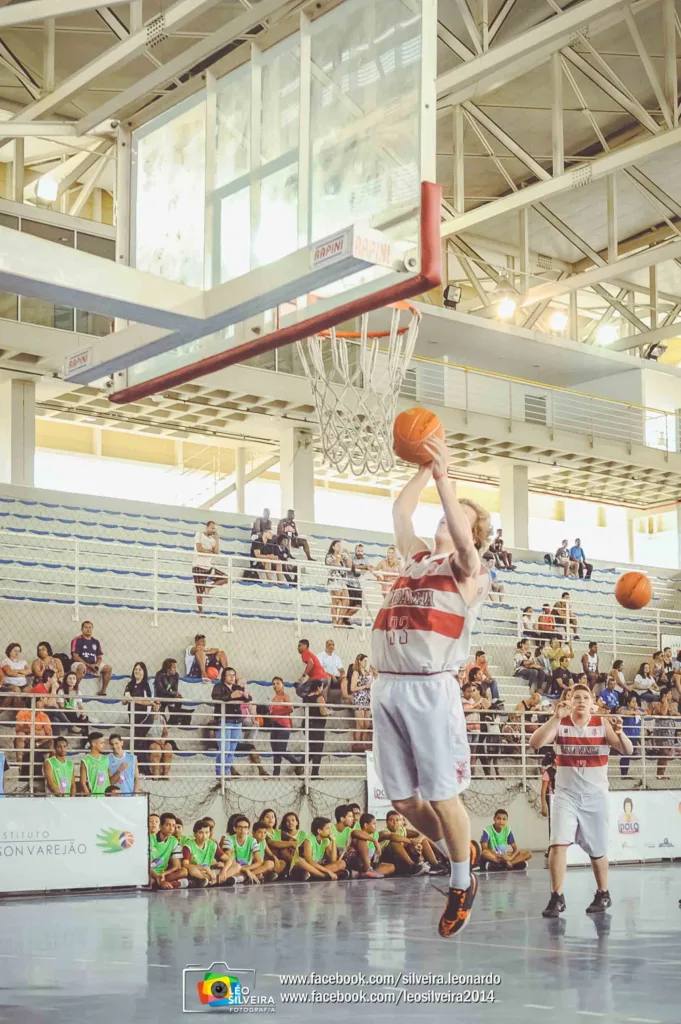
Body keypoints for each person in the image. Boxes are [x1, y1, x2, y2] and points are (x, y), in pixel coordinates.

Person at [371, 433, 490, 938]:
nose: (447, 518)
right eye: (445, 512)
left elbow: (463, 539)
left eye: (458, 514)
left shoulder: (469, 570)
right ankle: (457, 852)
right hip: (387, 686)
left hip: (428, 687)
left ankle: (462, 882)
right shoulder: (416, 560)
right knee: (401, 800)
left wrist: (446, 477)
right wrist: (422, 466)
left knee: (443, 797)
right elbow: (401, 511)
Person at [529, 683, 633, 918]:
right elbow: (534, 744)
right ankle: (557, 896)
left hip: (595, 796)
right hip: (566, 795)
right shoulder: (560, 724)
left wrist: (621, 732)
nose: (582, 701)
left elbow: (627, 750)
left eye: (586, 697)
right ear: (570, 701)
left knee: (597, 850)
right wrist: (555, 718)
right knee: (557, 844)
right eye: (577, 697)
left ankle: (603, 892)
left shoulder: (602, 724)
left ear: (593, 703)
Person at [212, 667, 249, 778]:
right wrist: (231, 696)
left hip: (236, 720)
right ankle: (219, 771)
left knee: (232, 748)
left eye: (234, 675)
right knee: (225, 748)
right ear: (224, 676)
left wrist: (246, 696)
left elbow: (248, 697)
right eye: (229, 675)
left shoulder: (237, 687)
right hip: (224, 720)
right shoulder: (218, 686)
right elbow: (216, 698)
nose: (232, 677)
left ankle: (226, 771)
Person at [182, 818, 235, 887]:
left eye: (207, 832)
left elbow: (228, 860)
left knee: (237, 866)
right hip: (199, 872)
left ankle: (212, 881)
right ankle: (217, 880)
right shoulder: (188, 845)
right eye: (201, 833)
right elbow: (185, 865)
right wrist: (205, 868)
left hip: (210, 872)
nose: (204, 836)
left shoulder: (212, 844)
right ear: (195, 834)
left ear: (210, 833)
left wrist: (224, 871)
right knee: (192, 870)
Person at [267, 676, 303, 776]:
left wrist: (278, 714)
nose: (275, 685)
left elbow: (290, 708)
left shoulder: (284, 696)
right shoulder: (274, 698)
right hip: (275, 725)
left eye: (278, 683)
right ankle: (276, 774)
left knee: (281, 749)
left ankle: (297, 763)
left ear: (283, 685)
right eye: (274, 684)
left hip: (284, 725)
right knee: (275, 751)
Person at [292, 816, 347, 880]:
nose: (330, 831)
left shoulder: (326, 840)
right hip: (306, 867)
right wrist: (328, 871)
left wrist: (333, 841)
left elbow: (333, 860)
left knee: (342, 863)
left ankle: (316, 875)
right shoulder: (309, 839)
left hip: (316, 868)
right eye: (327, 829)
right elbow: (309, 861)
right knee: (299, 860)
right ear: (319, 831)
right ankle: (324, 876)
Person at [192, 519, 228, 613]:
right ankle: (201, 611)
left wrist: (217, 539)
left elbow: (216, 552)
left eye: (214, 529)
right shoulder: (199, 534)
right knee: (199, 591)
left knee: (225, 578)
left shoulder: (212, 540)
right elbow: (199, 549)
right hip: (198, 566)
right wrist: (209, 552)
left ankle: (209, 587)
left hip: (208, 566)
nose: (213, 530)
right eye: (212, 528)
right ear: (207, 527)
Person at [121, 662, 153, 766]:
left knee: (138, 742)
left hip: (144, 717)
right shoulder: (130, 684)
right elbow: (123, 702)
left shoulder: (146, 685)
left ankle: (143, 769)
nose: (137, 671)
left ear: (144, 672)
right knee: (138, 743)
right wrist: (126, 698)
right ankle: (140, 769)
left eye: (140, 669)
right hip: (133, 717)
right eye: (136, 669)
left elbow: (149, 701)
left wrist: (133, 700)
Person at [345, 813, 396, 878]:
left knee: (391, 866)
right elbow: (356, 833)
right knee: (362, 840)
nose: (376, 826)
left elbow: (375, 859)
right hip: (354, 864)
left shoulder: (375, 835)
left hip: (367, 865)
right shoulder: (356, 833)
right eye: (374, 823)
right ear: (366, 825)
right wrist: (375, 841)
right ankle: (367, 870)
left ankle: (364, 874)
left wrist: (376, 856)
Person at [15, 697, 53, 779]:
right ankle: (20, 764)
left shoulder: (44, 715)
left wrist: (36, 736)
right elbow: (18, 728)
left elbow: (49, 734)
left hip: (40, 741)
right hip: (26, 739)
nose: (43, 703)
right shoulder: (23, 712)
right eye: (41, 701)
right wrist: (35, 731)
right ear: (35, 703)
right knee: (21, 735)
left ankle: (50, 769)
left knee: (51, 741)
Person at [70, 621, 112, 696]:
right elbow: (75, 656)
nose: (88, 629)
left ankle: (103, 691)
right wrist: (88, 665)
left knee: (108, 668)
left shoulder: (96, 642)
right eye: (86, 627)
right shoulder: (77, 640)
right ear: (82, 629)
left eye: (90, 627)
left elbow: (99, 657)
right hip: (80, 663)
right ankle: (74, 690)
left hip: (93, 664)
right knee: (81, 667)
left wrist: (96, 665)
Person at [150, 812, 188, 889]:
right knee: (149, 881)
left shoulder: (174, 841)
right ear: (160, 826)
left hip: (162, 873)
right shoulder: (149, 838)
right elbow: (145, 866)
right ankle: (163, 883)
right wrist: (157, 877)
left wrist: (164, 873)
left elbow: (176, 866)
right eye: (168, 825)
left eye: (173, 825)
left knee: (183, 871)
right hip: (149, 872)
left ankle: (161, 883)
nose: (171, 828)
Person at [300, 678, 328, 777]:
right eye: (321, 687)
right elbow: (323, 712)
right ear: (318, 687)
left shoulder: (306, 698)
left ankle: (299, 765)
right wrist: (328, 712)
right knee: (318, 749)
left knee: (312, 749)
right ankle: (314, 773)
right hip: (317, 725)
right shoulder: (319, 698)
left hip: (307, 724)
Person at [348, 653, 373, 750]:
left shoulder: (367, 672)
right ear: (360, 661)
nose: (366, 663)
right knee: (360, 723)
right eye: (365, 661)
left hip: (367, 698)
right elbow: (352, 688)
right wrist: (364, 686)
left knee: (366, 724)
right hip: (359, 699)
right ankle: (357, 743)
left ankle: (364, 742)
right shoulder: (356, 672)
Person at [325, 540, 351, 627]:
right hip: (333, 581)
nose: (340, 547)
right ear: (333, 547)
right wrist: (339, 555)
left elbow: (350, 566)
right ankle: (334, 622)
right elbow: (335, 564)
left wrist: (348, 556)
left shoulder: (343, 556)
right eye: (337, 545)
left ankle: (339, 622)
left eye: (341, 545)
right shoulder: (329, 556)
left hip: (342, 581)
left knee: (346, 602)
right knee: (335, 601)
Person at [153, 658, 188, 725]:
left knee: (179, 699)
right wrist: (172, 693)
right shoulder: (159, 674)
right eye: (174, 667)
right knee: (159, 702)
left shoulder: (175, 675)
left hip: (168, 694)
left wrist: (175, 694)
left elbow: (175, 689)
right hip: (159, 695)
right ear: (168, 668)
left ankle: (174, 719)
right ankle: (162, 720)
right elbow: (160, 689)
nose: (175, 669)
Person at [80, 732, 113, 797]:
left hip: (107, 796)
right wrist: (89, 796)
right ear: (94, 744)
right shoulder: (86, 760)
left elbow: (109, 778)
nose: (103, 745)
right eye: (101, 743)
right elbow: (83, 783)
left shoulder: (105, 758)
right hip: (94, 796)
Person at [147, 700, 174, 778]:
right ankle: (156, 774)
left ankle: (165, 774)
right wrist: (157, 741)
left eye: (158, 704)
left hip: (160, 740)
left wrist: (163, 740)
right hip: (150, 740)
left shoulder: (162, 718)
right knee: (156, 749)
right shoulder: (147, 716)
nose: (155, 705)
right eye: (154, 703)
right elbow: (145, 733)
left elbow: (165, 733)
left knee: (168, 748)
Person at [620, 696, 641, 777]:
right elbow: (622, 713)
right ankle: (624, 774)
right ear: (628, 703)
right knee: (625, 754)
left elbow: (645, 712)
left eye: (635, 701)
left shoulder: (637, 710)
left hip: (635, 735)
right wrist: (633, 712)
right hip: (627, 735)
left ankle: (626, 773)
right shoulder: (623, 708)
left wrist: (636, 711)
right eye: (633, 701)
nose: (635, 703)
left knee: (630, 754)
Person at [541, 750, 556, 857]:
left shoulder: (565, 771)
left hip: (562, 799)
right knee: (553, 825)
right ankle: (551, 847)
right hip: (552, 800)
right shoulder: (548, 772)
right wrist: (544, 805)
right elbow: (543, 790)